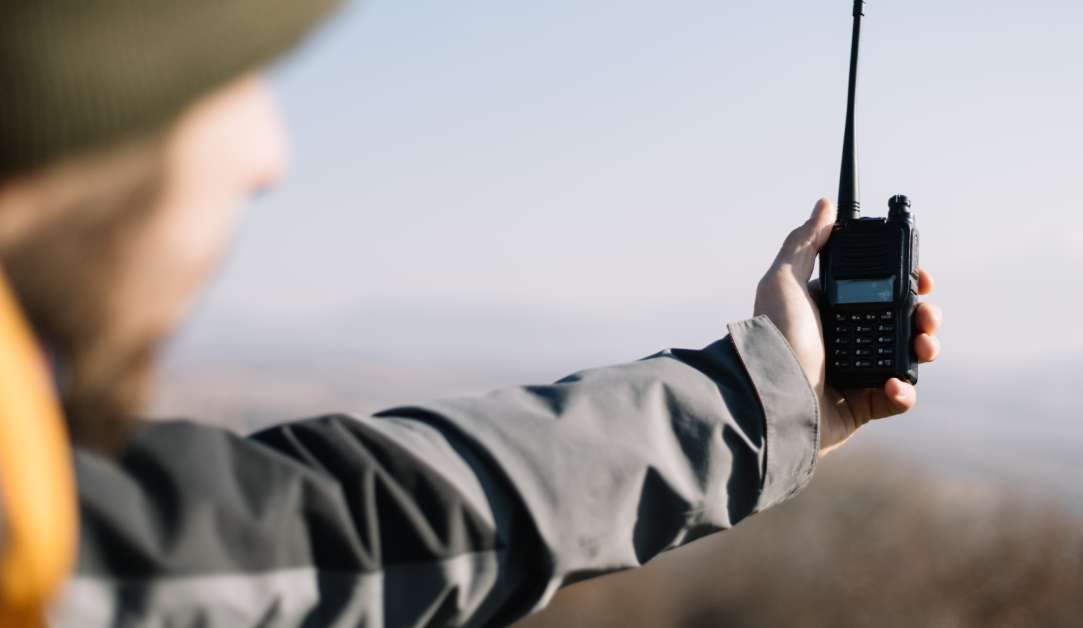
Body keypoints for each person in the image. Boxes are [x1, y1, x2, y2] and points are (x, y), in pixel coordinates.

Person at [0, 2, 943, 627]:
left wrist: (767, 402)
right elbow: (370, 532)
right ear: (58, 124)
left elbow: (367, 522)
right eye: (222, 84)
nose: (268, 155)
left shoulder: (51, 538)